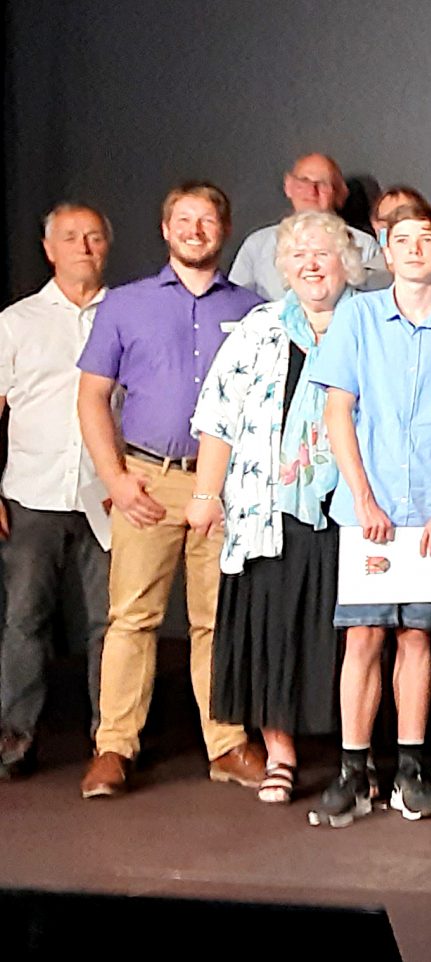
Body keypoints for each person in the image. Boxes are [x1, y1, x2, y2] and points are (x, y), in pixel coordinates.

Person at [306, 200, 431, 826]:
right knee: (363, 637)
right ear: (386, 253)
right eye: (402, 240)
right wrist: (362, 496)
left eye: (427, 238)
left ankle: (411, 769)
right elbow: (338, 411)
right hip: (369, 508)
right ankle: (353, 771)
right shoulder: (358, 316)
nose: (415, 248)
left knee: (417, 636)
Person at [75, 182, 269, 798]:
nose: (195, 230)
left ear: (225, 229)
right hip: (147, 479)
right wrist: (115, 478)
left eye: (206, 220)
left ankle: (227, 743)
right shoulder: (125, 305)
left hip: (225, 486)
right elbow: (92, 397)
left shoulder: (254, 309)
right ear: (165, 229)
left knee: (218, 619)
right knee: (132, 618)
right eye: (184, 220)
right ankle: (113, 748)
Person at [190, 211, 356, 804]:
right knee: (273, 634)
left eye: (323, 253)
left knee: (346, 640)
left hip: (350, 508)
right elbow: (218, 416)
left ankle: (353, 759)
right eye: (299, 255)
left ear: (346, 263)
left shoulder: (369, 324)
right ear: (283, 267)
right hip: (267, 509)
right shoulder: (258, 328)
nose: (311, 265)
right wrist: (205, 496)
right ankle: (280, 756)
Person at [0, 203, 113, 779]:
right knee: (25, 620)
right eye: (70, 238)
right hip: (33, 493)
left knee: (111, 624)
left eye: (93, 237)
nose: (83, 247)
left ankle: (110, 740)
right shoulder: (16, 322)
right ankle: (15, 739)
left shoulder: (125, 315)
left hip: (109, 495)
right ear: (48, 249)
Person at [229, 153, 380, 300]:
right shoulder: (256, 245)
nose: (311, 191)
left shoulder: (364, 245)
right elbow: (235, 303)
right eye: (304, 181)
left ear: (340, 194)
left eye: (322, 184)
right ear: (288, 186)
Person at [362, 187, 431, 291]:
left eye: (406, 216)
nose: (413, 248)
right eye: (387, 220)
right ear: (375, 224)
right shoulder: (364, 281)